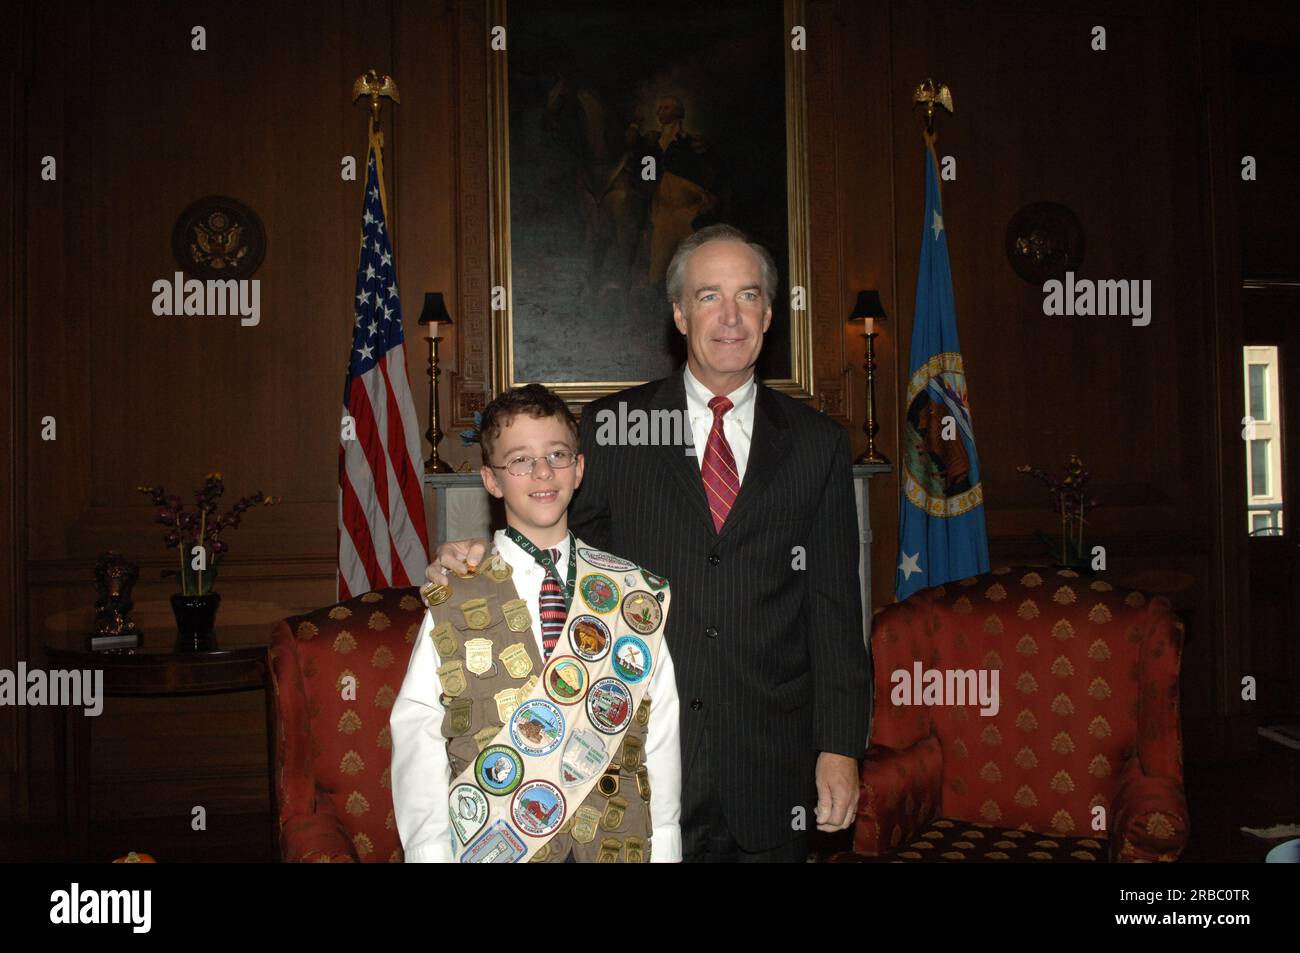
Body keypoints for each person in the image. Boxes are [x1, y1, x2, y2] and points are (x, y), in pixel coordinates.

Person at [430, 225, 870, 862]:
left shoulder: (818, 444)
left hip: (775, 767)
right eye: (708, 296)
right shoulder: (614, 428)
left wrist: (840, 748)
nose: (729, 316)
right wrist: (477, 563)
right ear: (679, 314)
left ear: (770, 314)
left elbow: (835, 610)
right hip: (635, 759)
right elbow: (554, 549)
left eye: (747, 297)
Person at [391, 384, 681, 862]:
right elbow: (419, 729)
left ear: (580, 468)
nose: (543, 472)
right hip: (498, 841)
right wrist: (429, 853)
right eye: (520, 460)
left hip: (614, 839)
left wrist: (666, 847)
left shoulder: (633, 595)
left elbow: (663, 729)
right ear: (491, 479)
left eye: (557, 455)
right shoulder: (458, 595)